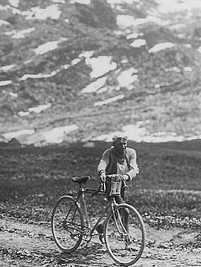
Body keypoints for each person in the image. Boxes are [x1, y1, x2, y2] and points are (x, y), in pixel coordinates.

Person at [96, 135, 139, 242]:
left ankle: (102, 226)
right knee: (124, 211)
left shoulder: (131, 152)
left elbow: (134, 168)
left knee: (116, 211)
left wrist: (127, 176)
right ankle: (126, 236)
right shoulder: (108, 153)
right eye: (120, 144)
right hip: (110, 184)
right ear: (114, 145)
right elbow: (103, 163)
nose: (123, 146)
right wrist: (102, 172)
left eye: (125, 144)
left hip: (121, 184)